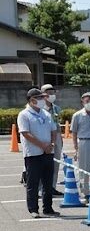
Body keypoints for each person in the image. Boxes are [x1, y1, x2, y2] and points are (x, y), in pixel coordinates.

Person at [19, 88, 59, 219]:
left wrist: (51, 144)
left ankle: (48, 208)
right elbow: (26, 133)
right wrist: (42, 145)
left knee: (48, 182)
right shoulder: (24, 114)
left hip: (48, 152)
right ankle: (33, 209)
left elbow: (53, 130)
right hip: (33, 154)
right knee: (33, 183)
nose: (43, 100)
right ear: (32, 100)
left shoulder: (46, 114)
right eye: (40, 98)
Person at [40, 84, 63, 193]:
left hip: (57, 136)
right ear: (43, 95)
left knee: (56, 162)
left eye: (52, 93)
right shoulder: (40, 109)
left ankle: (52, 187)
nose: (51, 95)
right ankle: (41, 188)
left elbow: (58, 123)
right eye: (48, 93)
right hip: (45, 136)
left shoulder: (56, 108)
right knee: (43, 163)